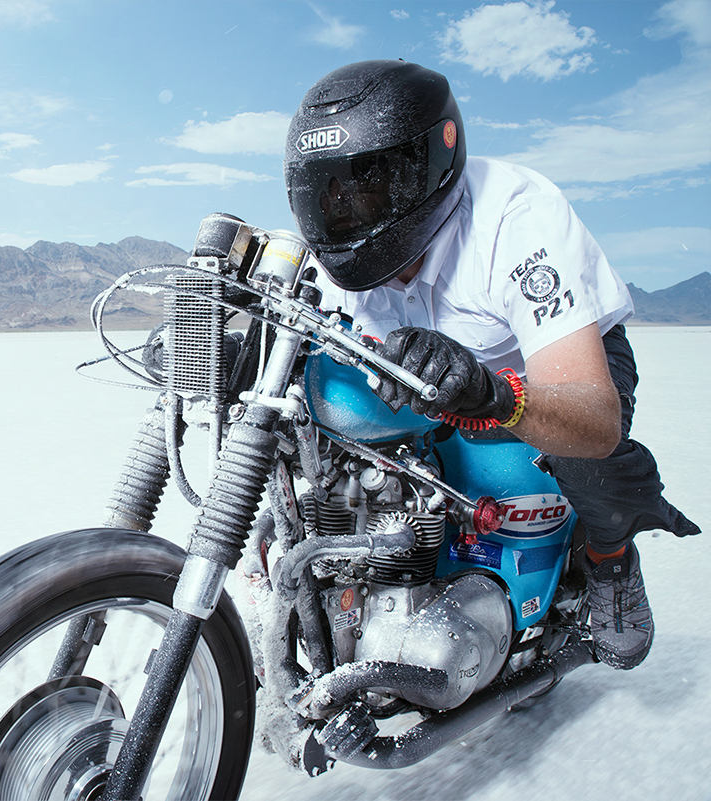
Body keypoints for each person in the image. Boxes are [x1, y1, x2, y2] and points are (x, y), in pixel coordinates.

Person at [283, 59, 700, 670]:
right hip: (424, 375)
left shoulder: (517, 218)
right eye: (328, 193)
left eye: (367, 185)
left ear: (428, 164)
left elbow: (593, 412)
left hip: (552, 366)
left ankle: (610, 562)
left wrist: (490, 392)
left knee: (587, 455)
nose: (344, 209)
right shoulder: (327, 260)